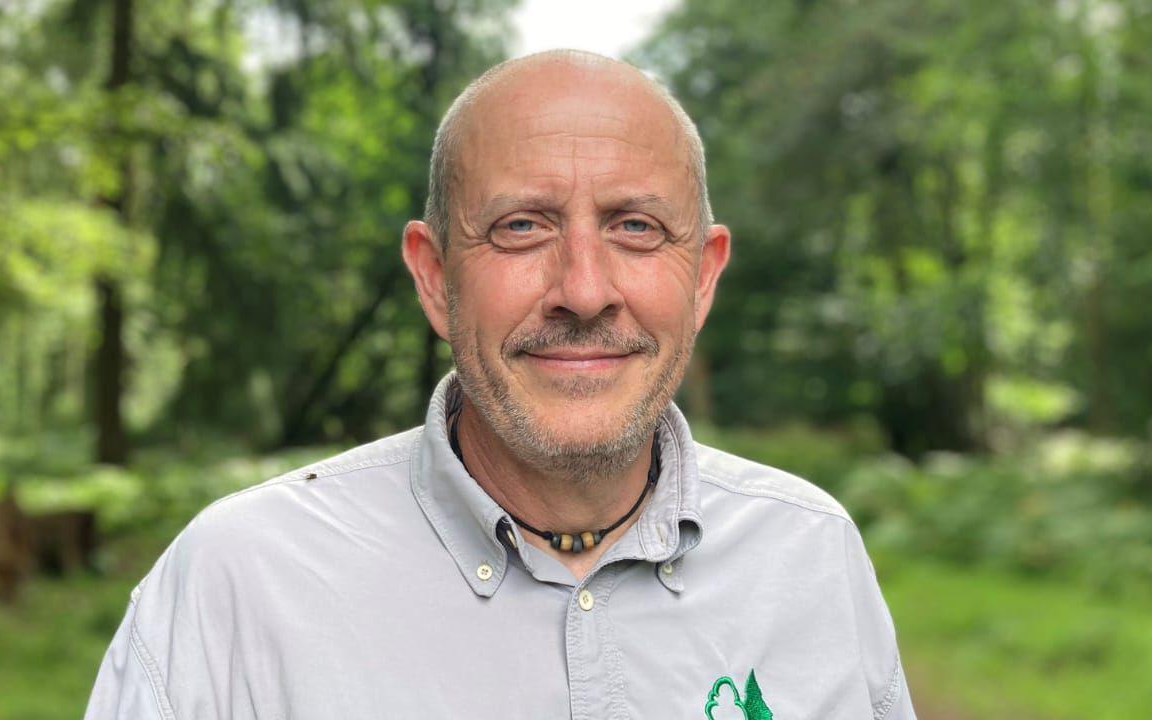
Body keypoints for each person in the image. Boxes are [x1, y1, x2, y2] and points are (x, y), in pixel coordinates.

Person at [84, 49, 916, 719]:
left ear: (702, 277)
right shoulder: (239, 586)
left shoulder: (811, 558)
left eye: (636, 226)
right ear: (434, 275)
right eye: (522, 227)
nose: (585, 291)